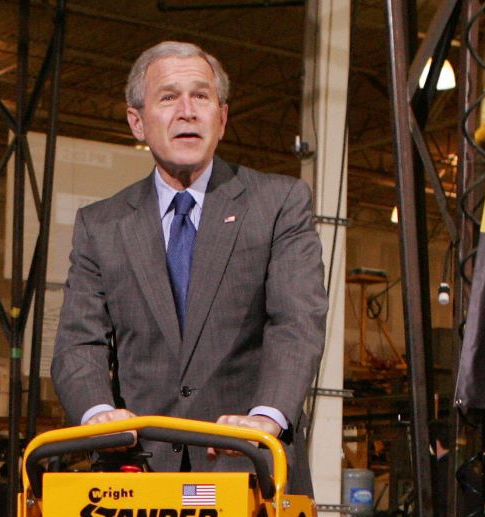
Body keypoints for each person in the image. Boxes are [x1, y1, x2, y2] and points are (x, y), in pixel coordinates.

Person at [51, 40, 327, 471]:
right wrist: (95, 415)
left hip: (247, 468)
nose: (187, 111)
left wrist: (265, 418)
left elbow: (295, 324)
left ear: (222, 118)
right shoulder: (100, 226)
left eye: (201, 96)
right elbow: (77, 343)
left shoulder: (279, 203)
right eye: (168, 98)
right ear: (137, 122)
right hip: (135, 472)